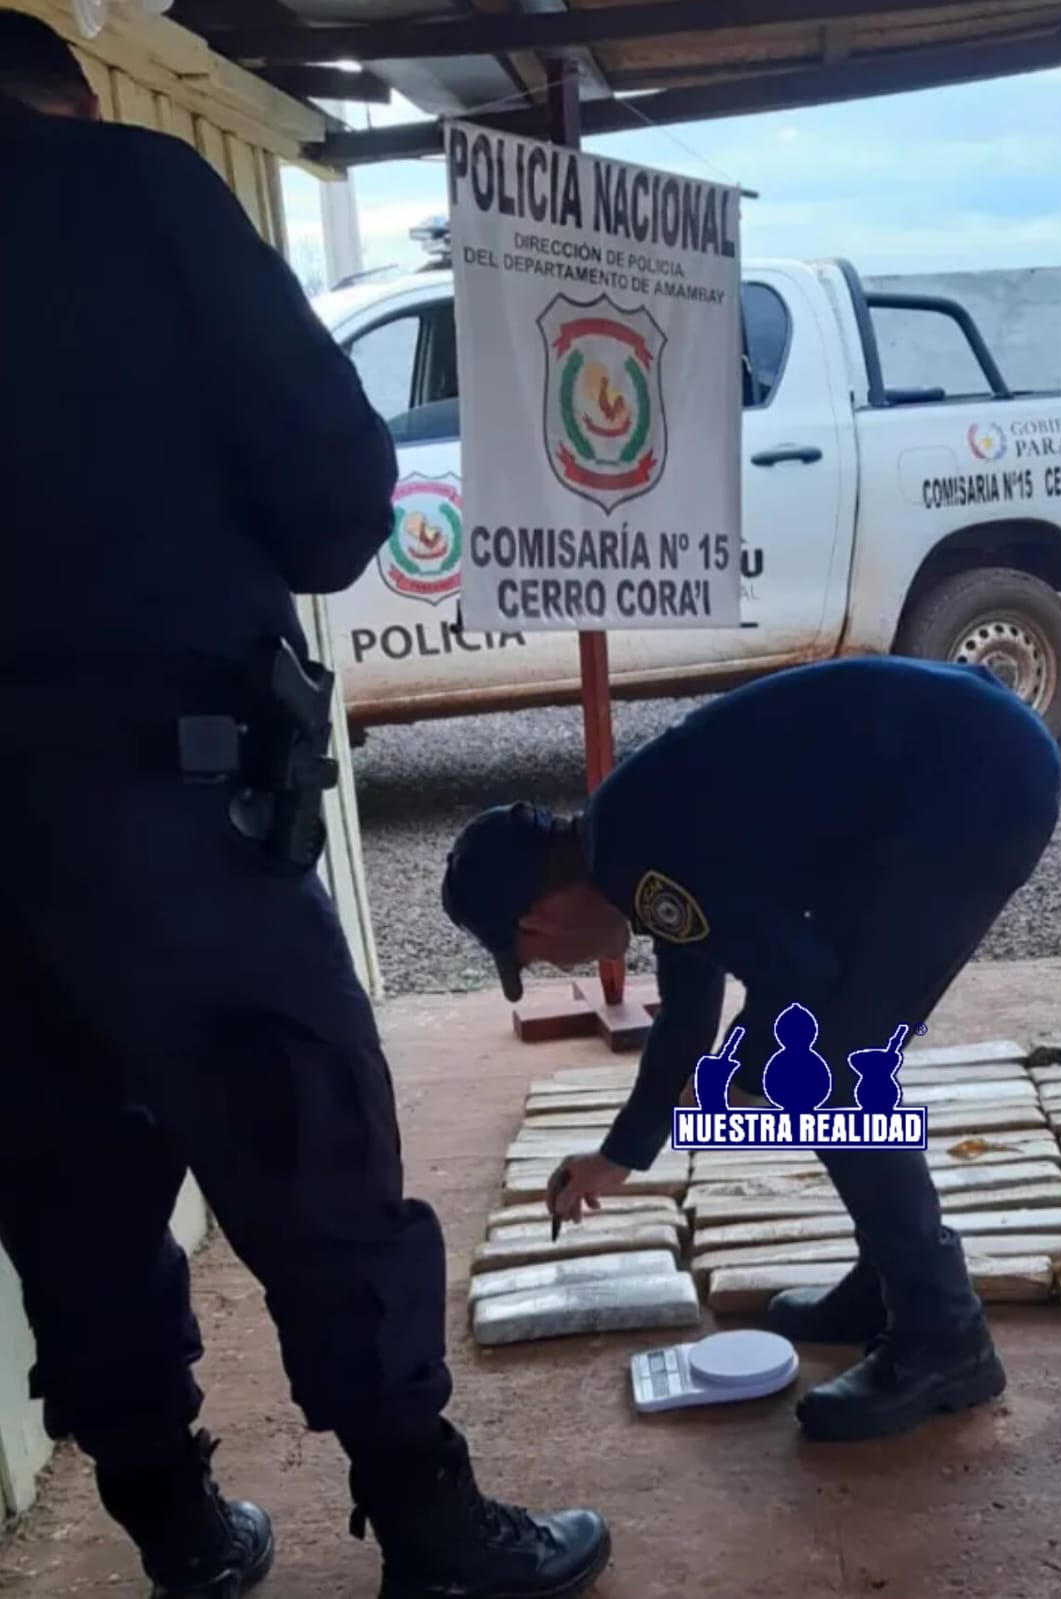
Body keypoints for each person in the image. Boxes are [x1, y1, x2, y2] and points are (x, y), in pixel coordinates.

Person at [0, 15, 609, 1599]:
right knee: (309, 1145)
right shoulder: (134, 190)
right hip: (165, 809)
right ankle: (430, 1526)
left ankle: (179, 1533)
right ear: (71, 95)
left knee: (61, 1186)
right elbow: (338, 506)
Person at [442, 655, 1061, 1443]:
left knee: (830, 1062)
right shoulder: (626, 840)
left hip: (973, 784)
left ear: (536, 919)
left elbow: (801, 975)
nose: (558, 965)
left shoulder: (637, 860)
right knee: (832, 1051)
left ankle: (945, 1337)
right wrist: (619, 1154)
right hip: (954, 763)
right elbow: (688, 1011)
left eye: (534, 958)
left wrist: (744, 1065)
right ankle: (890, 1282)